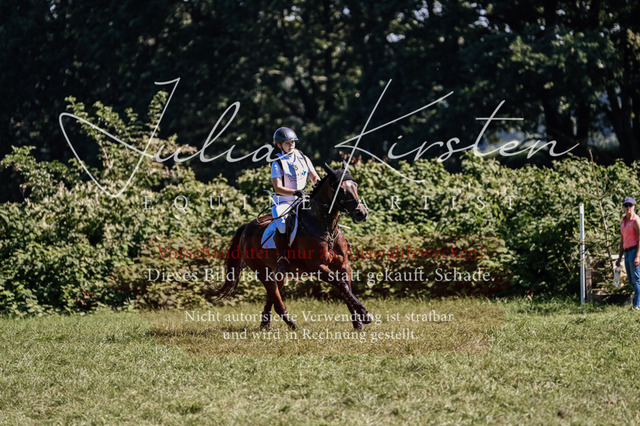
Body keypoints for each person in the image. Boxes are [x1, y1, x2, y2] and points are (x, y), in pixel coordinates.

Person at [270, 127, 319, 274]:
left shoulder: (303, 157)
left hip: (303, 199)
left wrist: (320, 187)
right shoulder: (277, 163)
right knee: (282, 223)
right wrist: (295, 192)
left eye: (292, 142)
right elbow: (278, 188)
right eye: (287, 143)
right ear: (279, 145)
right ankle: (282, 258)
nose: (291, 145)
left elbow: (314, 177)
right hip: (283, 201)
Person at [615, 196, 640, 310]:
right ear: (623, 207)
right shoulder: (623, 221)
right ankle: (636, 302)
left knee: (637, 280)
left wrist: (637, 256)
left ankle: (637, 305)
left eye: (630, 205)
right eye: (626, 205)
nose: (628, 207)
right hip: (627, 252)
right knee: (630, 279)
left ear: (634, 206)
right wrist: (619, 257)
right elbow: (622, 241)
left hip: (635, 251)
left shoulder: (636, 220)